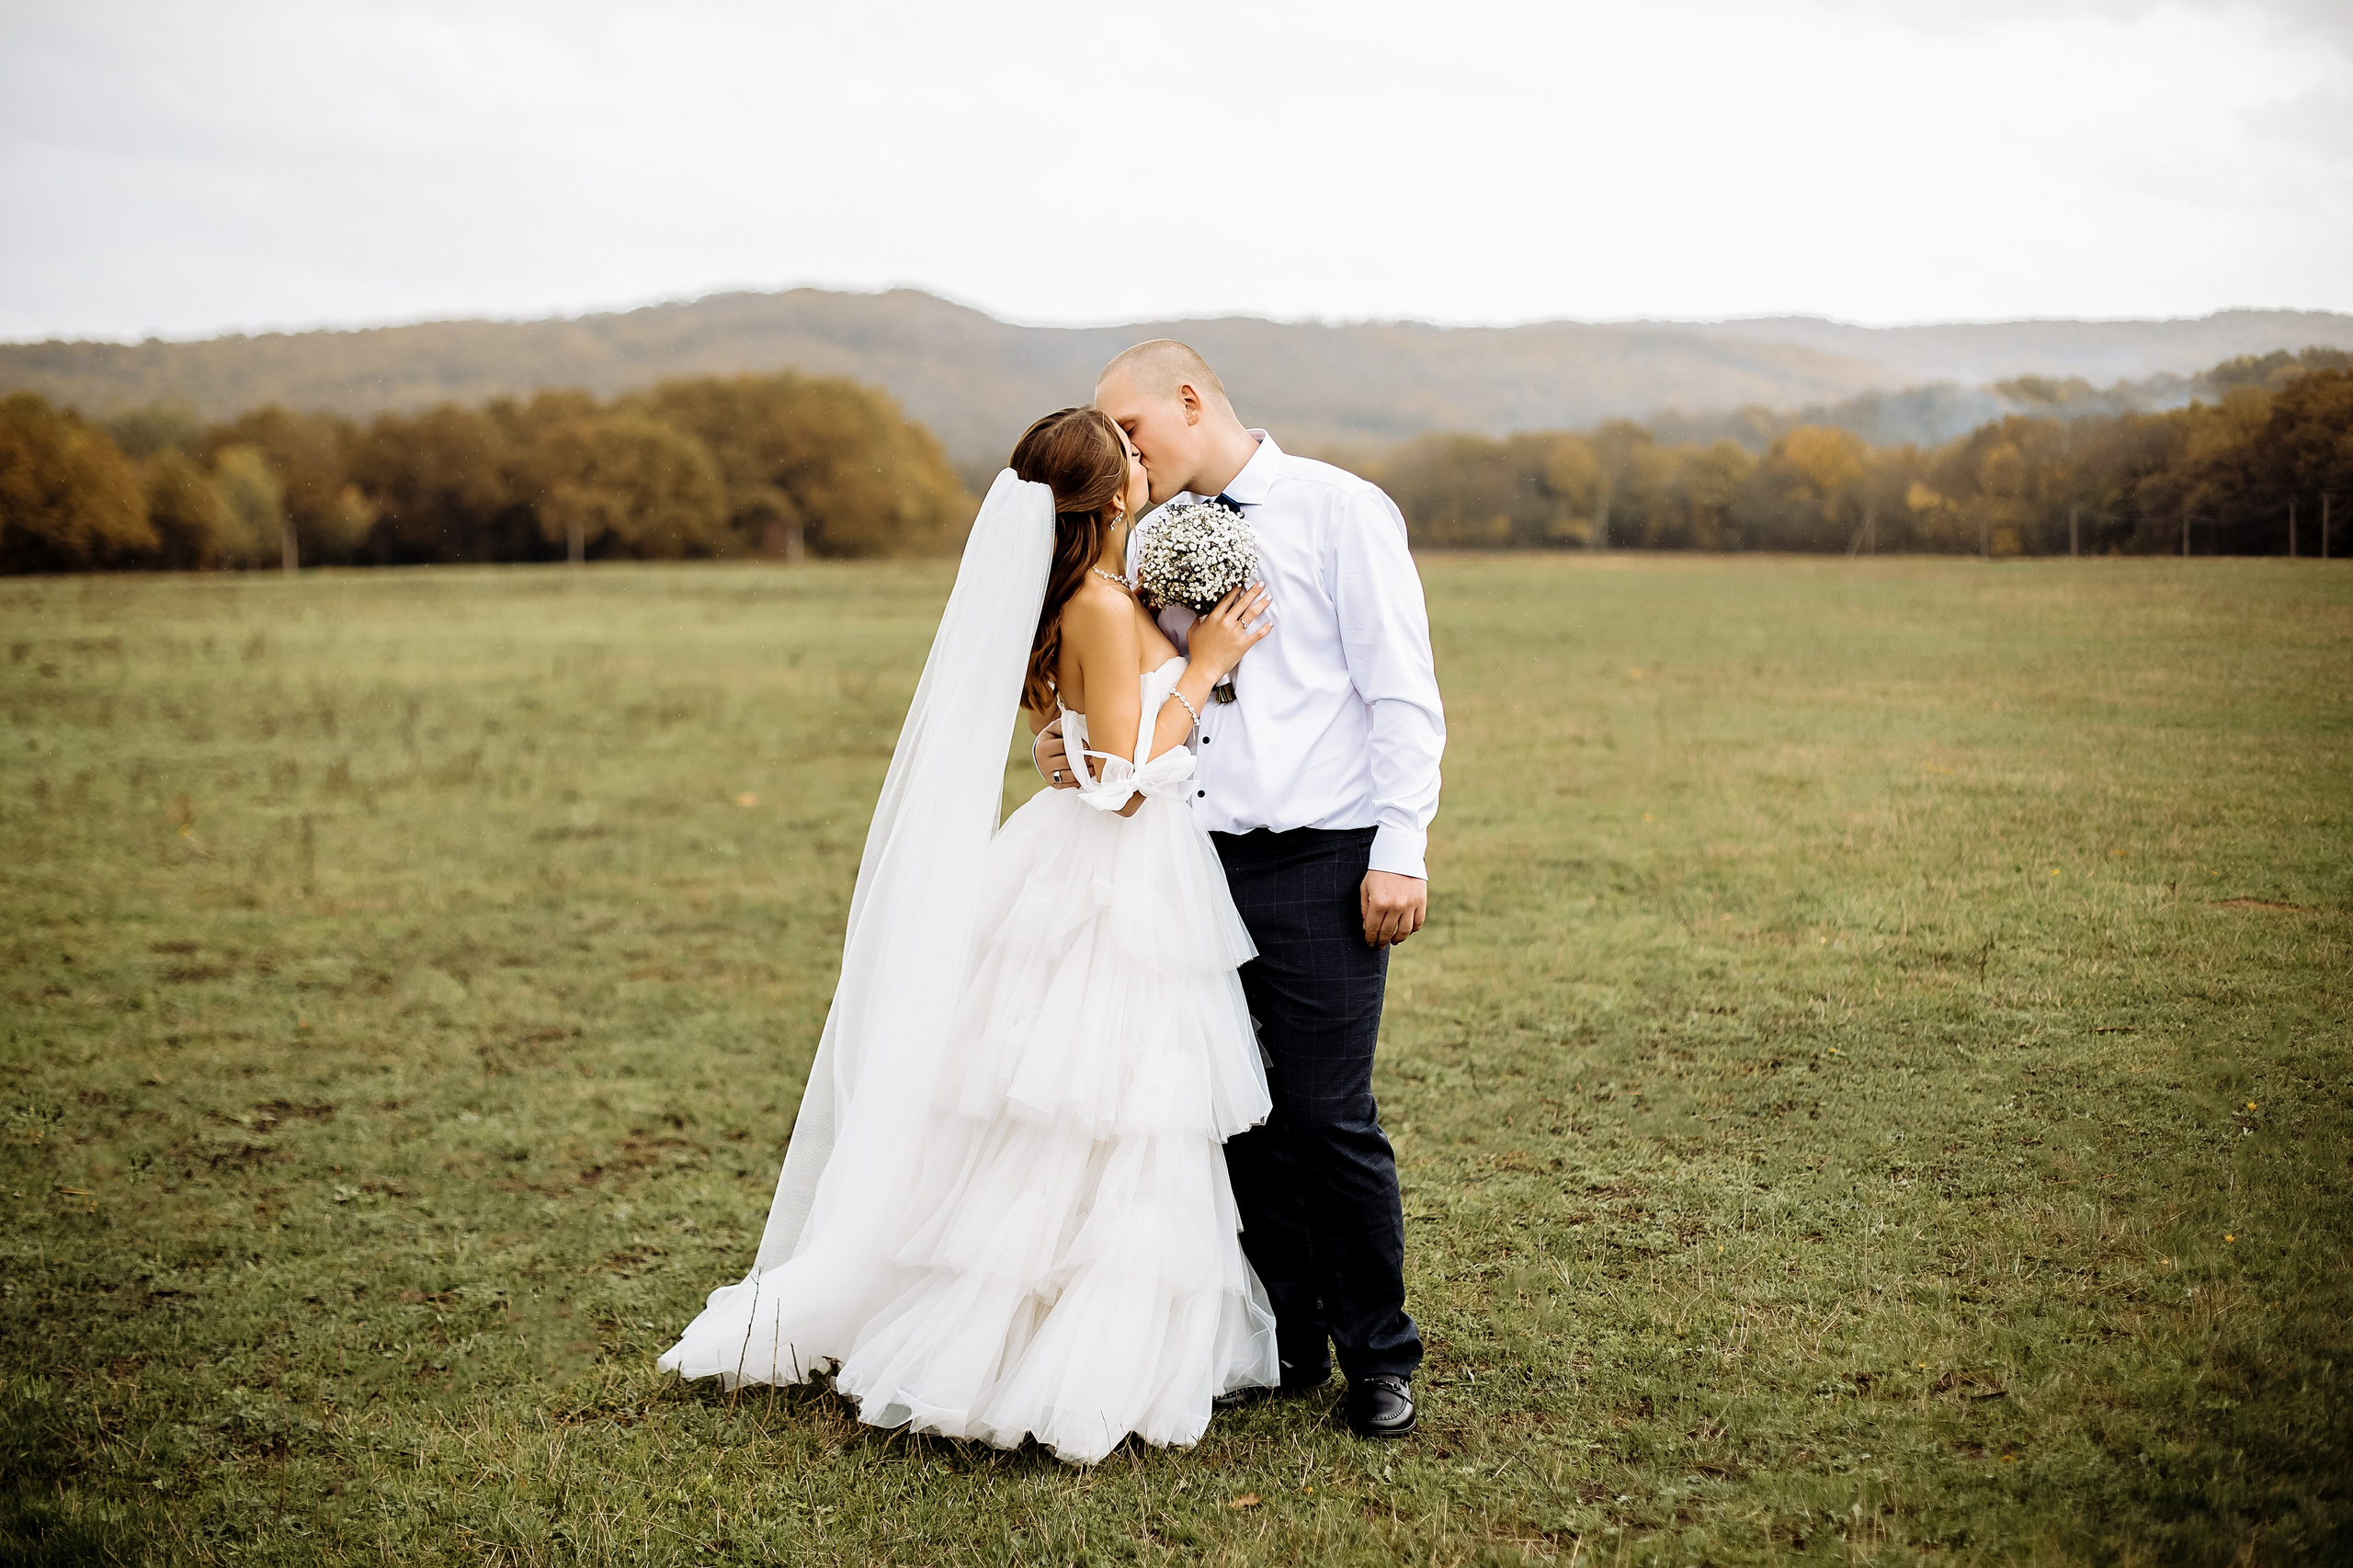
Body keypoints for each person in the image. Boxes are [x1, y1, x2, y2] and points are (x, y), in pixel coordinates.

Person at [659, 407, 1282, 1464]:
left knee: (1088, 1105)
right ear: (1109, 494)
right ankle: (1045, 1348)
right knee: (1091, 1103)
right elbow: (1123, 786)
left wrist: (1086, 728)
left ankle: (1076, 1326)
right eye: (1129, 454)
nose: (1144, 461)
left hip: (1087, 858)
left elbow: (1067, 741)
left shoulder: (1090, 594)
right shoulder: (1091, 600)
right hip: (1108, 872)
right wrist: (1201, 666)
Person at [1039, 340, 1444, 1440]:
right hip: (1186, 858)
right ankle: (1283, 1337)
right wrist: (1071, 745)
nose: (1125, 451)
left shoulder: (1339, 510)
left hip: (1321, 854)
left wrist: (1398, 846)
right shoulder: (1147, 537)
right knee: (1229, 1116)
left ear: (1189, 398)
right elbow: (1132, 694)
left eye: (1133, 430)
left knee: (1324, 1114)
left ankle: (1379, 1357)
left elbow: (1401, 692)